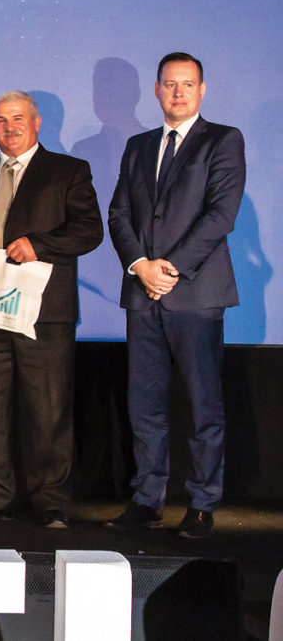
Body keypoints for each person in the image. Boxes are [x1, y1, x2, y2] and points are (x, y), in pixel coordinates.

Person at [0, 90, 103, 528]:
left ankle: (51, 501)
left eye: (17, 118)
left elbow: (89, 231)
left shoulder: (67, 170)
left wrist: (40, 245)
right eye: (0, 120)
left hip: (44, 311)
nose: (8, 128)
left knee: (48, 409)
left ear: (37, 122)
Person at [105, 52, 245, 538]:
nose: (178, 92)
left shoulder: (222, 140)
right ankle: (147, 501)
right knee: (145, 406)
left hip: (195, 294)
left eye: (187, 84)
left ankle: (202, 504)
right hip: (143, 294)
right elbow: (119, 214)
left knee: (203, 406)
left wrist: (171, 267)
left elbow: (221, 215)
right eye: (170, 84)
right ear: (157, 89)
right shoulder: (138, 145)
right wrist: (139, 265)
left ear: (201, 90)